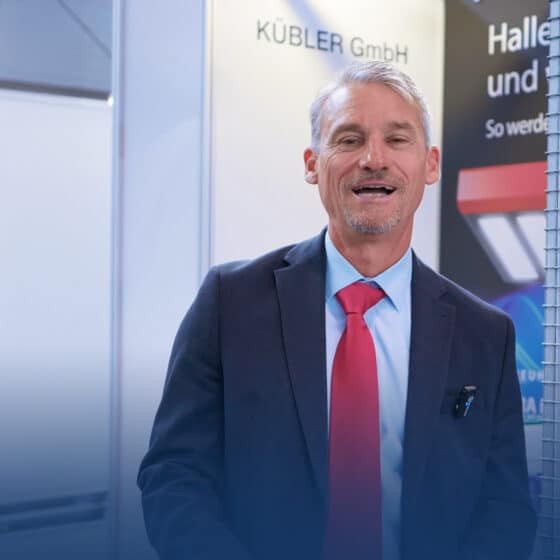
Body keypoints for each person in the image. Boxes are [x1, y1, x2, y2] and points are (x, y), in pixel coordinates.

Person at [137, 61, 536, 560]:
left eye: (397, 139)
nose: (374, 158)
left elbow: (504, 508)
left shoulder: (486, 332)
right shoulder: (229, 302)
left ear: (430, 164)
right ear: (312, 163)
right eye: (348, 140)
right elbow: (174, 476)